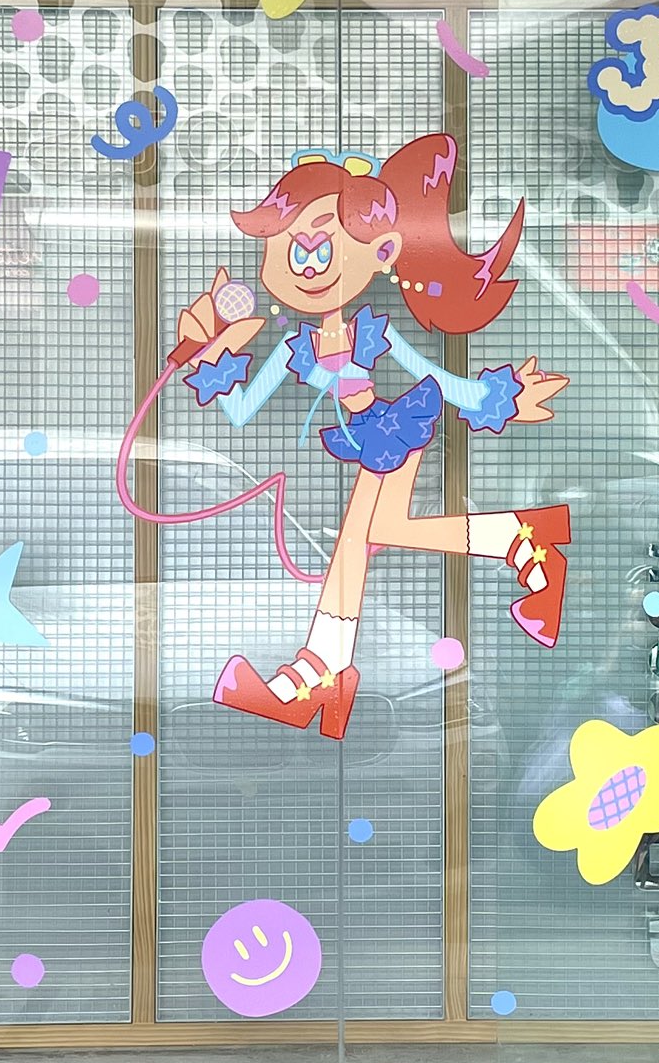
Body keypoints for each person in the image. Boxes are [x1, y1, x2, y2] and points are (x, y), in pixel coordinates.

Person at [172, 135, 571, 740]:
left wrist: (500, 397)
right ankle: (522, 540)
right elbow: (243, 409)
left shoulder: (370, 332)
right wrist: (213, 360)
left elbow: (435, 377)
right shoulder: (297, 345)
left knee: (354, 548)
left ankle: (314, 678)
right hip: (366, 436)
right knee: (375, 537)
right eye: (290, 250)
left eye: (320, 249)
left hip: (395, 428)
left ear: (382, 252)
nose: (308, 267)